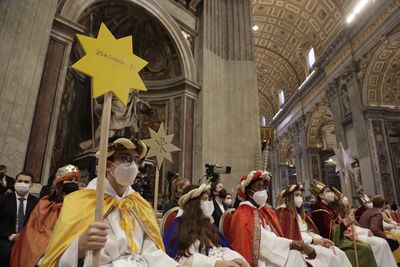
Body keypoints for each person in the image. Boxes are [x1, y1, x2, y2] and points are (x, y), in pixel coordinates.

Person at [42, 137, 180, 267]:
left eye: (136, 160)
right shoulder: (80, 201)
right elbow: (56, 258)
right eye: (125, 158)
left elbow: (150, 252)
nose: (132, 165)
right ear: (108, 165)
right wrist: (79, 247)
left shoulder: (140, 205)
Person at [229, 170, 314, 267]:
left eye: (263, 187)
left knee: (296, 255)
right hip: (261, 259)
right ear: (248, 191)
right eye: (258, 187)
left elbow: (274, 235)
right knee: (295, 256)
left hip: (272, 252)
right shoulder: (243, 213)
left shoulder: (263, 210)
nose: (263, 191)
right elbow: (263, 241)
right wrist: (294, 244)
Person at [10, 164, 80, 267]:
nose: (73, 183)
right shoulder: (45, 203)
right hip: (44, 249)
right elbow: (33, 233)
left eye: (75, 180)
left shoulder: (80, 203)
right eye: (70, 179)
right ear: (60, 182)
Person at [163, 184, 248, 266]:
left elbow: (219, 248)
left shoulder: (208, 225)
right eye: (204, 199)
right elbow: (182, 259)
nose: (208, 203)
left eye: (208, 199)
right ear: (194, 203)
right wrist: (215, 264)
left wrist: (235, 258)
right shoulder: (180, 227)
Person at [275, 184, 352, 267]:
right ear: (289, 197)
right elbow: (292, 237)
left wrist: (321, 239)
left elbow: (309, 231)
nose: (300, 198)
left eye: (300, 195)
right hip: (300, 248)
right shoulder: (284, 213)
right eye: (297, 195)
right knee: (330, 257)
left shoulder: (299, 212)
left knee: (339, 253)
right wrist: (315, 241)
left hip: (310, 242)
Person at [310, 179, 377, 267]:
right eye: (328, 191)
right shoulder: (320, 210)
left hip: (340, 238)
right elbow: (329, 233)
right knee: (364, 249)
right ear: (321, 195)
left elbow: (337, 224)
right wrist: (345, 223)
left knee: (365, 246)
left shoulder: (326, 207)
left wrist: (346, 226)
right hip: (331, 241)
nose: (331, 193)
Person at [0, 172, 39, 266]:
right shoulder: (3, 199)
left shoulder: (37, 202)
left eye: (26, 182)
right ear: (15, 183)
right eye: (20, 181)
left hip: (28, 239)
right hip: (6, 238)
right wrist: (12, 236)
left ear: (31, 185)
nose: (22, 184)